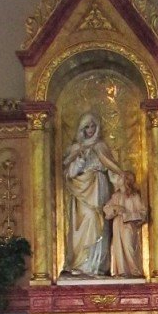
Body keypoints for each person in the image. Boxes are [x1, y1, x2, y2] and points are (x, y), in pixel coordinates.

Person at [62, 110, 120, 275]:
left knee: (99, 220)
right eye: (87, 127)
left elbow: (110, 166)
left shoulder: (101, 146)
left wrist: (122, 180)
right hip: (81, 190)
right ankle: (81, 264)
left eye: (93, 126)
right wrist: (79, 161)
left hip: (98, 187)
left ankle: (96, 265)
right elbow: (69, 172)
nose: (90, 130)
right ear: (81, 129)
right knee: (85, 220)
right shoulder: (76, 148)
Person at [104, 167, 148, 277]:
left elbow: (143, 213)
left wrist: (126, 214)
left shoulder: (134, 196)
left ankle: (134, 271)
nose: (118, 180)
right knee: (117, 247)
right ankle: (121, 271)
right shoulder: (116, 196)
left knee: (129, 247)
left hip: (128, 225)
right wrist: (115, 209)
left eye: (121, 178)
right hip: (117, 224)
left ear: (126, 180)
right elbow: (106, 209)